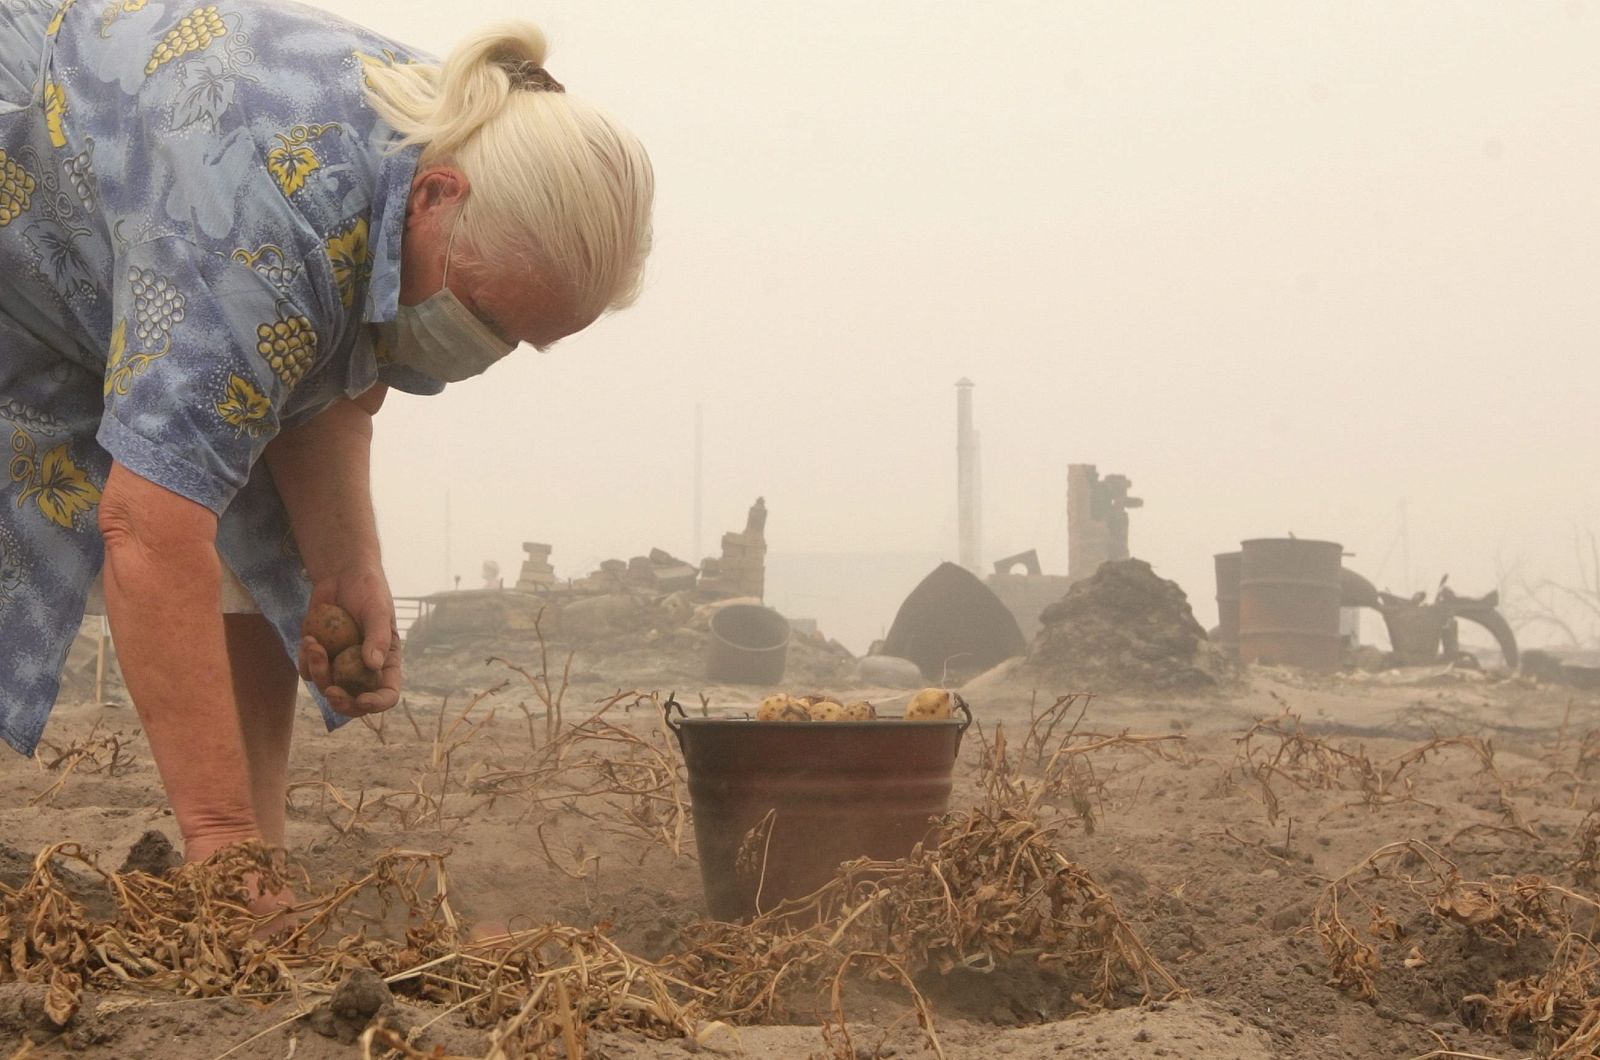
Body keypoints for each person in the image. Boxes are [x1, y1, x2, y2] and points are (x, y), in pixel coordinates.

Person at [0, 0, 653, 864]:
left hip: (118, 235)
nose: (485, 350)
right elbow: (152, 529)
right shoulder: (267, 218)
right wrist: (217, 834)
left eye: (517, 341)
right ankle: (231, 853)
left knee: (228, 457)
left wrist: (348, 565)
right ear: (437, 197)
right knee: (179, 483)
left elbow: (308, 381)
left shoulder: (470, 128)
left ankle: (252, 858)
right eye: (485, 316)